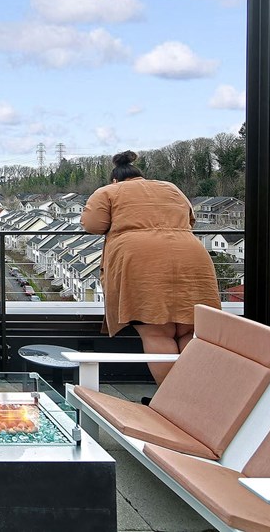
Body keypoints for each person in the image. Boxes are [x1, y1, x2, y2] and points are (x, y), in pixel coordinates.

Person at [81, 150, 222, 386]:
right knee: (189, 330)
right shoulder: (170, 187)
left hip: (142, 260)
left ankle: (173, 399)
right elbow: (190, 219)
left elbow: (93, 225)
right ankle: (198, 397)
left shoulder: (109, 192)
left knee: (157, 331)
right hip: (191, 255)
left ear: (115, 179)